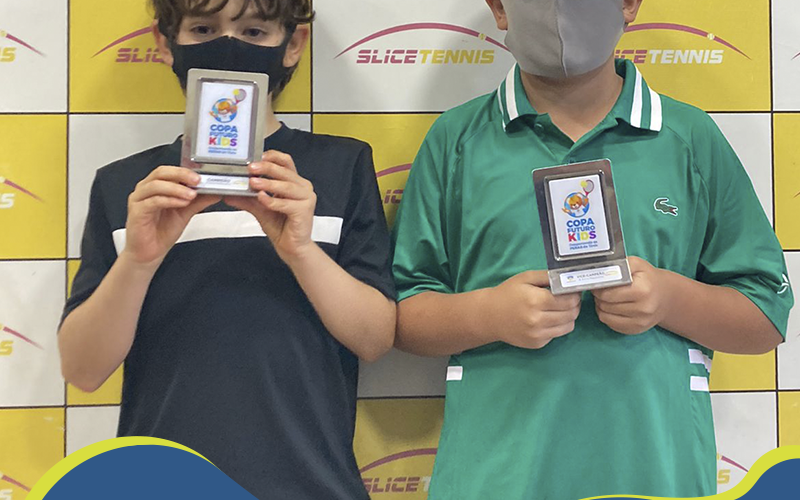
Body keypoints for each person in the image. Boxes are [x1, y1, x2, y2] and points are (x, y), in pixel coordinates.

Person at [391, 0, 793, 498]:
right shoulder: (456, 140)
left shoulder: (690, 138)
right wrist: (489, 314)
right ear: (499, 7)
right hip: (496, 473)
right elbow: (402, 315)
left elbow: (765, 315)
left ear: (629, 4)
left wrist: (669, 298)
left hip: (654, 472)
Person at [58, 1, 396, 498]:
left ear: (294, 43)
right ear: (164, 42)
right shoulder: (126, 187)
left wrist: (301, 251)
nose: (227, 45)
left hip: (312, 485)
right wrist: (138, 261)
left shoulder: (342, 166)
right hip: (162, 485)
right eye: (203, 28)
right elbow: (82, 370)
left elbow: (375, 338)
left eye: (254, 31)